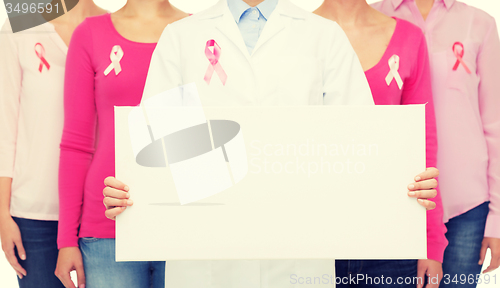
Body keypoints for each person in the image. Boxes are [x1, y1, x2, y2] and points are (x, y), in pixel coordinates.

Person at [103, 0, 440, 287]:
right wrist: (132, 193)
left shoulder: (324, 37)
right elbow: (156, 154)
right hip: (205, 263)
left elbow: (361, 148)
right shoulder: (180, 38)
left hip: (300, 260)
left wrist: (403, 184)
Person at [314, 1, 447, 287]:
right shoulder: (293, 35)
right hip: (314, 235)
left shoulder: (409, 38)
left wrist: (431, 240)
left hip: (392, 234)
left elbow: (424, 141)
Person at [55, 1, 188, 287]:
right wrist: (66, 239)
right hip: (107, 229)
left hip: (181, 223)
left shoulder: (197, 31)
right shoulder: (90, 34)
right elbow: (76, 144)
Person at [372, 0, 500, 287]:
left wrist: (498, 219)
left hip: (466, 205)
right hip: (401, 199)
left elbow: (495, 124)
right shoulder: (376, 17)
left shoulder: (480, 23)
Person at [0, 2, 106, 287]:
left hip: (100, 210)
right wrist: (2, 214)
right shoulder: (19, 23)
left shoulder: (113, 25)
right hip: (35, 214)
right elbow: (5, 127)